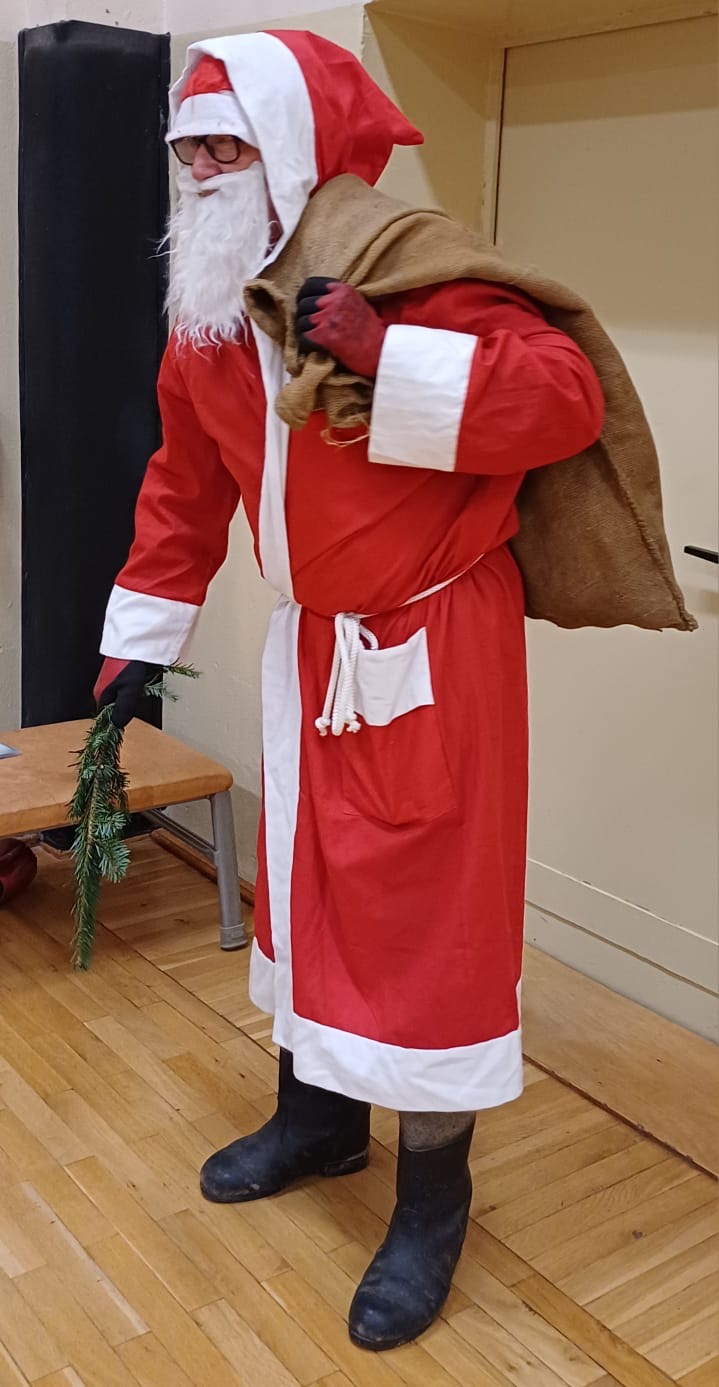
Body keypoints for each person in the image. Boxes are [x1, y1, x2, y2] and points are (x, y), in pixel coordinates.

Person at [94, 30, 604, 1351]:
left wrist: (389, 354)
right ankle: (319, 1122)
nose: (203, 170)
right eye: (188, 150)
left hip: (435, 650)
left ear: (294, 150)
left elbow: (564, 402)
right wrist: (137, 644)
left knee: (428, 920)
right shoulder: (211, 318)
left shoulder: (411, 271)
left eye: (228, 145)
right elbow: (182, 487)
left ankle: (435, 1199)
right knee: (304, 883)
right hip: (312, 647)